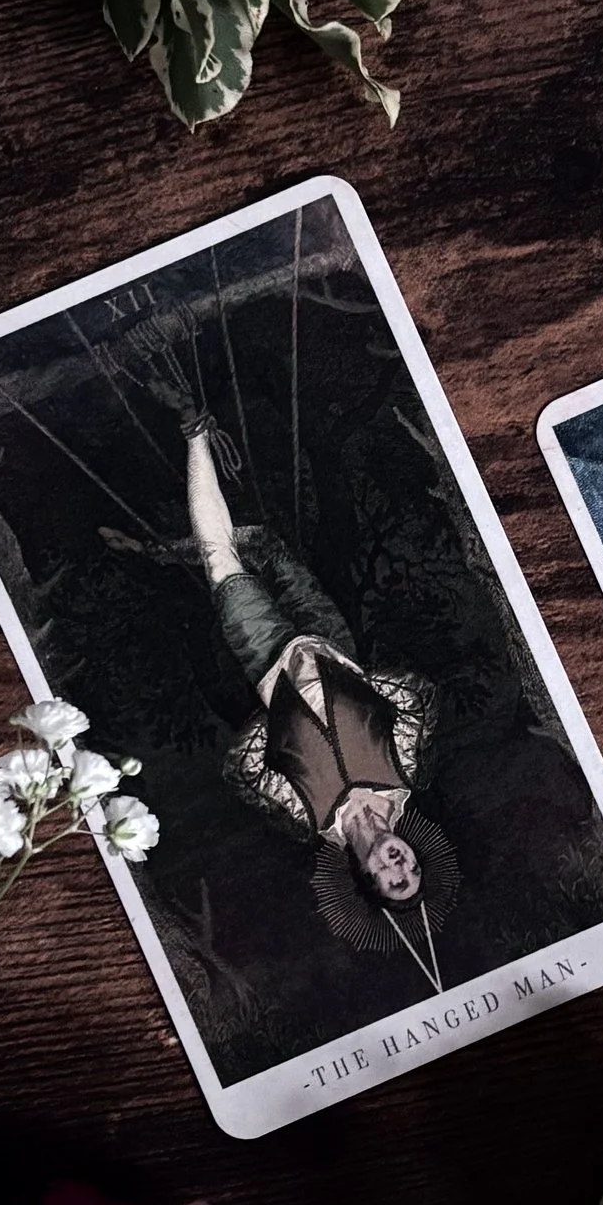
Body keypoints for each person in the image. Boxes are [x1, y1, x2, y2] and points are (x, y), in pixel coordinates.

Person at [180, 418, 451, 975]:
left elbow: (245, 770)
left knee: (218, 559)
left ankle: (194, 434)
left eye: (394, 884)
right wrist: (349, 683)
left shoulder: (304, 815)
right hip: (330, 640)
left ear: (366, 879)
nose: (404, 870)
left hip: (267, 659)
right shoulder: (404, 775)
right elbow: (416, 696)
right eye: (415, 874)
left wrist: (287, 708)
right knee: (270, 548)